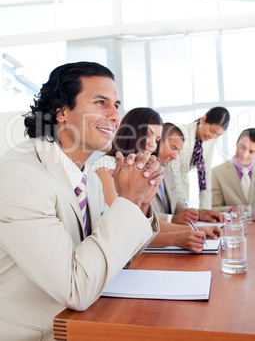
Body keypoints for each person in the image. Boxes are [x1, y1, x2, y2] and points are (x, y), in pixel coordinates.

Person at [0, 62, 162, 341]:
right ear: (61, 111)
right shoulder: (20, 174)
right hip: (42, 333)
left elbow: (115, 260)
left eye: (116, 104)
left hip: (84, 322)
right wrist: (128, 199)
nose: (115, 115)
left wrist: (139, 202)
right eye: (101, 102)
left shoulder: (86, 172)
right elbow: (76, 288)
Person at [91, 109, 221, 253]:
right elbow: (121, 230)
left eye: (157, 140)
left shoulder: (136, 169)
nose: (153, 145)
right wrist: (177, 238)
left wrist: (197, 229)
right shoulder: (106, 166)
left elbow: (148, 224)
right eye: (149, 135)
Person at [152, 122, 225, 224]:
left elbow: (176, 202)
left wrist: (197, 214)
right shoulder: (142, 173)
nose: (174, 157)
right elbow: (142, 217)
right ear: (157, 141)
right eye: (173, 148)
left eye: (177, 152)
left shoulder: (167, 170)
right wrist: (171, 219)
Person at [170, 107, 230, 210]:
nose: (213, 136)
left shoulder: (211, 140)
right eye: (212, 131)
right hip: (170, 179)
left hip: (182, 181)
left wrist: (205, 210)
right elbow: (174, 171)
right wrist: (183, 206)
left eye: (218, 135)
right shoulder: (182, 133)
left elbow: (205, 174)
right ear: (203, 119)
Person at [212, 128, 255, 213]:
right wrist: (230, 209)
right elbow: (213, 208)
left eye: (251, 151)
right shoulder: (217, 172)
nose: (244, 154)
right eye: (242, 147)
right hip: (234, 225)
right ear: (237, 142)